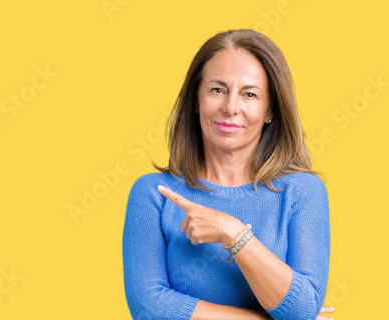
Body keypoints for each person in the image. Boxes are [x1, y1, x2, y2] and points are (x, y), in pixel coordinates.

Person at [122, 29, 334, 320]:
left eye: (249, 94)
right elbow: (150, 309)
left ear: (270, 109)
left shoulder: (302, 192)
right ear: (197, 100)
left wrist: (232, 232)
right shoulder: (154, 193)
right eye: (217, 90)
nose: (231, 107)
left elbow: (302, 308)